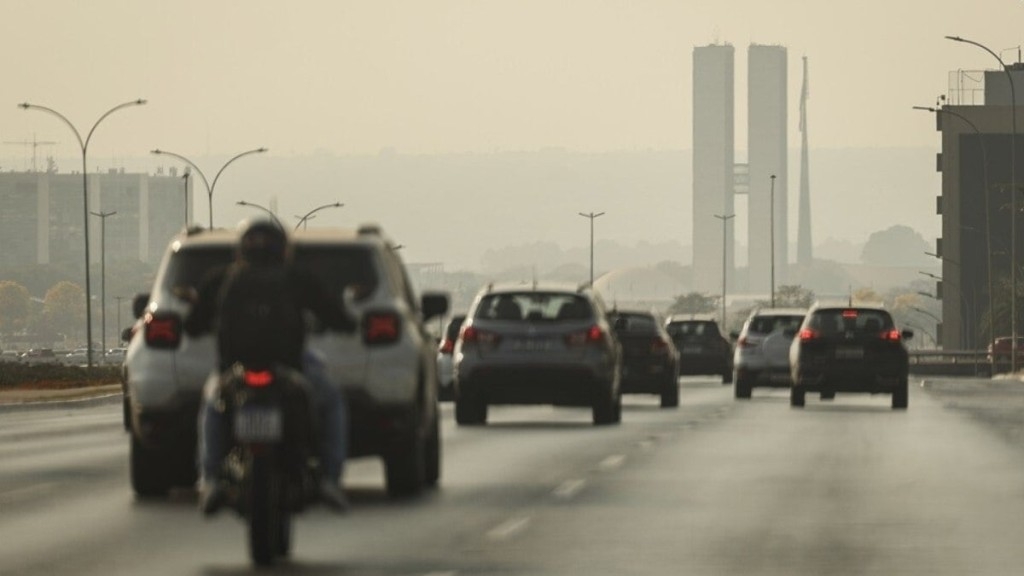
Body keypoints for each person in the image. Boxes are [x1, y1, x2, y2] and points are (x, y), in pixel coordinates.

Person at [183, 219, 356, 515]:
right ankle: (329, 477)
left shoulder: (222, 278)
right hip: (290, 367)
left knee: (213, 404)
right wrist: (345, 323)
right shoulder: (297, 277)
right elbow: (337, 316)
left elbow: (192, 325)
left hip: (233, 369)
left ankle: (210, 480)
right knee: (331, 401)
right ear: (283, 250)